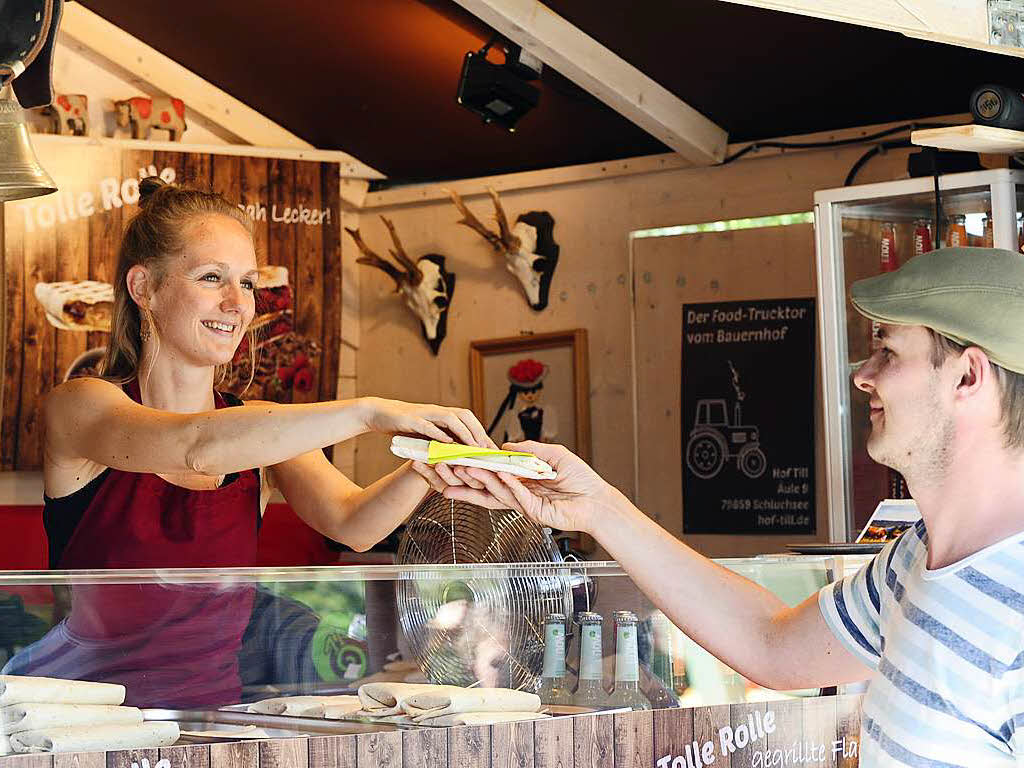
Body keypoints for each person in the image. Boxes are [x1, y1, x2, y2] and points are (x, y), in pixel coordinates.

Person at [418, 246, 1024, 766]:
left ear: (967, 377)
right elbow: (772, 646)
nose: (864, 376)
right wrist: (598, 507)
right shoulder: (917, 558)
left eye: (888, 351)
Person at [8, 177, 494, 707]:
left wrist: (428, 462)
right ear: (144, 288)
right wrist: (372, 410)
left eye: (246, 283)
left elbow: (354, 523)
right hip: (83, 727)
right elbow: (195, 446)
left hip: (216, 724)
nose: (236, 303)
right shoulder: (80, 406)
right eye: (212, 277)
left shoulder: (255, 428)